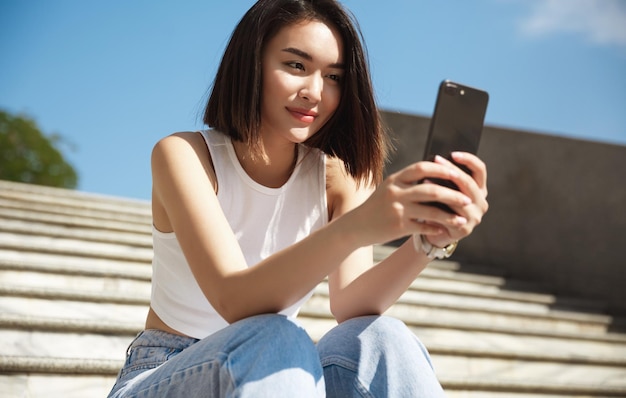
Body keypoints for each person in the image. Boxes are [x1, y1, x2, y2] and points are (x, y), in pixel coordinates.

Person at [107, 0, 488, 397]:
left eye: (335, 76)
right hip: (168, 370)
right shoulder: (184, 155)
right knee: (278, 338)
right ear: (251, 63)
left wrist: (429, 241)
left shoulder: (339, 177)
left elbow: (350, 305)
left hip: (278, 376)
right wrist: (356, 227)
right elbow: (234, 300)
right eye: (296, 66)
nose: (315, 92)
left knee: (382, 338)